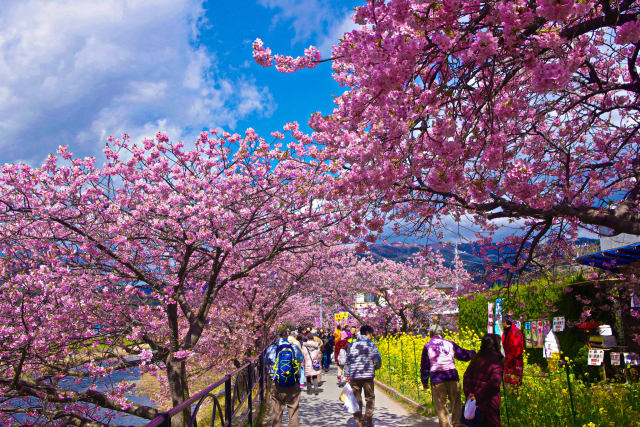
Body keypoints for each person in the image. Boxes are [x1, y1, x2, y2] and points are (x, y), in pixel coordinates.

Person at [421, 324, 475, 427]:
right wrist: (472, 353)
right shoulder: (449, 343)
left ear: (431, 334)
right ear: (441, 333)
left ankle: (445, 425)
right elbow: (462, 354)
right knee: (456, 403)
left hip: (437, 379)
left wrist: (424, 381)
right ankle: (457, 423)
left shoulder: (427, 346)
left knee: (441, 406)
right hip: (452, 377)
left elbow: (425, 366)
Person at [344, 324, 382, 427]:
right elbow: (377, 359)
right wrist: (375, 367)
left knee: (356, 399)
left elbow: (348, 361)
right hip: (368, 376)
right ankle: (368, 419)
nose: (371, 336)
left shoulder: (352, 345)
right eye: (371, 334)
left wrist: (346, 374)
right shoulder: (371, 344)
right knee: (369, 398)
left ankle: (359, 421)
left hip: (355, 376)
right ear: (367, 333)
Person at [463, 334, 505, 426]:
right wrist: (477, 396)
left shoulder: (476, 357)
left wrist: (469, 393)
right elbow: (494, 383)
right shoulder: (496, 360)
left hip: (474, 403)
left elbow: (466, 376)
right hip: (489, 404)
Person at [265, 330, 304, 427]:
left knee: (277, 412)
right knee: (293, 411)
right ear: (287, 337)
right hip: (293, 382)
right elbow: (301, 359)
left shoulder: (272, 348)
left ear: (277, 337)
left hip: (277, 383)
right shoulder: (294, 347)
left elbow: (266, 360)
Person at [501, 316, 524, 386]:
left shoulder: (516, 331)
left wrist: (511, 357)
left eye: (502, 321)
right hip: (508, 360)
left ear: (505, 322)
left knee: (515, 382)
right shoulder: (505, 332)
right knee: (508, 381)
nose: (501, 323)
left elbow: (518, 347)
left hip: (515, 361)